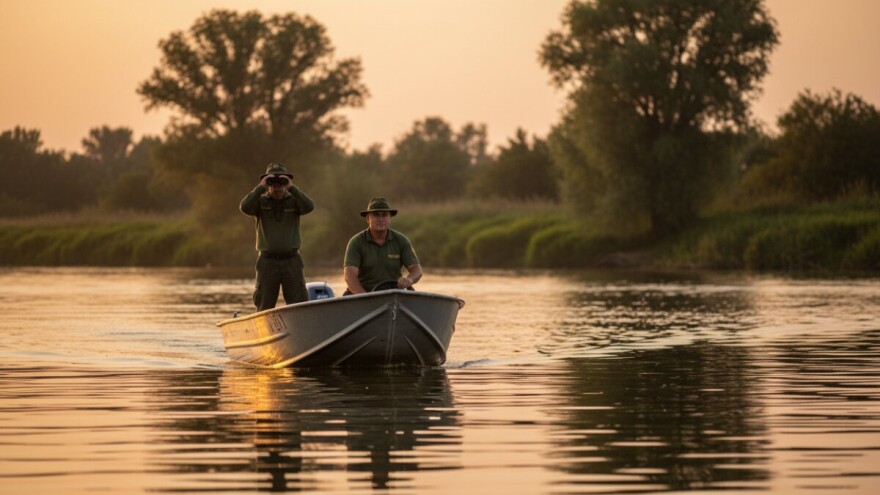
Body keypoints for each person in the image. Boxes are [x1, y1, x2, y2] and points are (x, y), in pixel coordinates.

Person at [240, 163, 315, 311]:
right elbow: (244, 207)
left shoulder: (294, 201)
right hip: (267, 262)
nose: (277, 186)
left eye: (281, 181)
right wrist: (261, 187)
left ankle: (300, 332)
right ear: (267, 183)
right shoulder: (261, 202)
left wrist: (291, 188)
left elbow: (309, 206)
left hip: (292, 260)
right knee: (264, 304)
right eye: (272, 182)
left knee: (299, 304)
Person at [343, 197, 422, 294]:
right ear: (368, 218)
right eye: (376, 215)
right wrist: (364, 297)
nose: (380, 219)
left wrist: (409, 280)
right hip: (363, 294)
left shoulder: (401, 240)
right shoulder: (356, 242)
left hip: (393, 294)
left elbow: (417, 270)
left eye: (384, 215)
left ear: (390, 218)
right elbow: (349, 275)